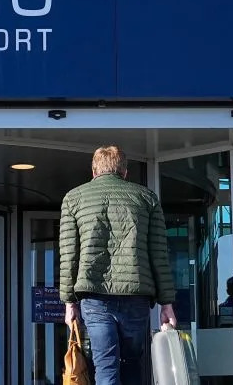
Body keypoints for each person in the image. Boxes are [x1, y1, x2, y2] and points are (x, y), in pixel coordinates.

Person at [59, 145, 177, 385]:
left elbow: (69, 254)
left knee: (105, 365)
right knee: (133, 362)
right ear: (124, 172)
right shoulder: (146, 198)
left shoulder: (73, 199)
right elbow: (158, 254)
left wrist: (69, 302)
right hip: (137, 297)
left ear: (94, 171)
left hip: (94, 297)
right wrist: (167, 303)